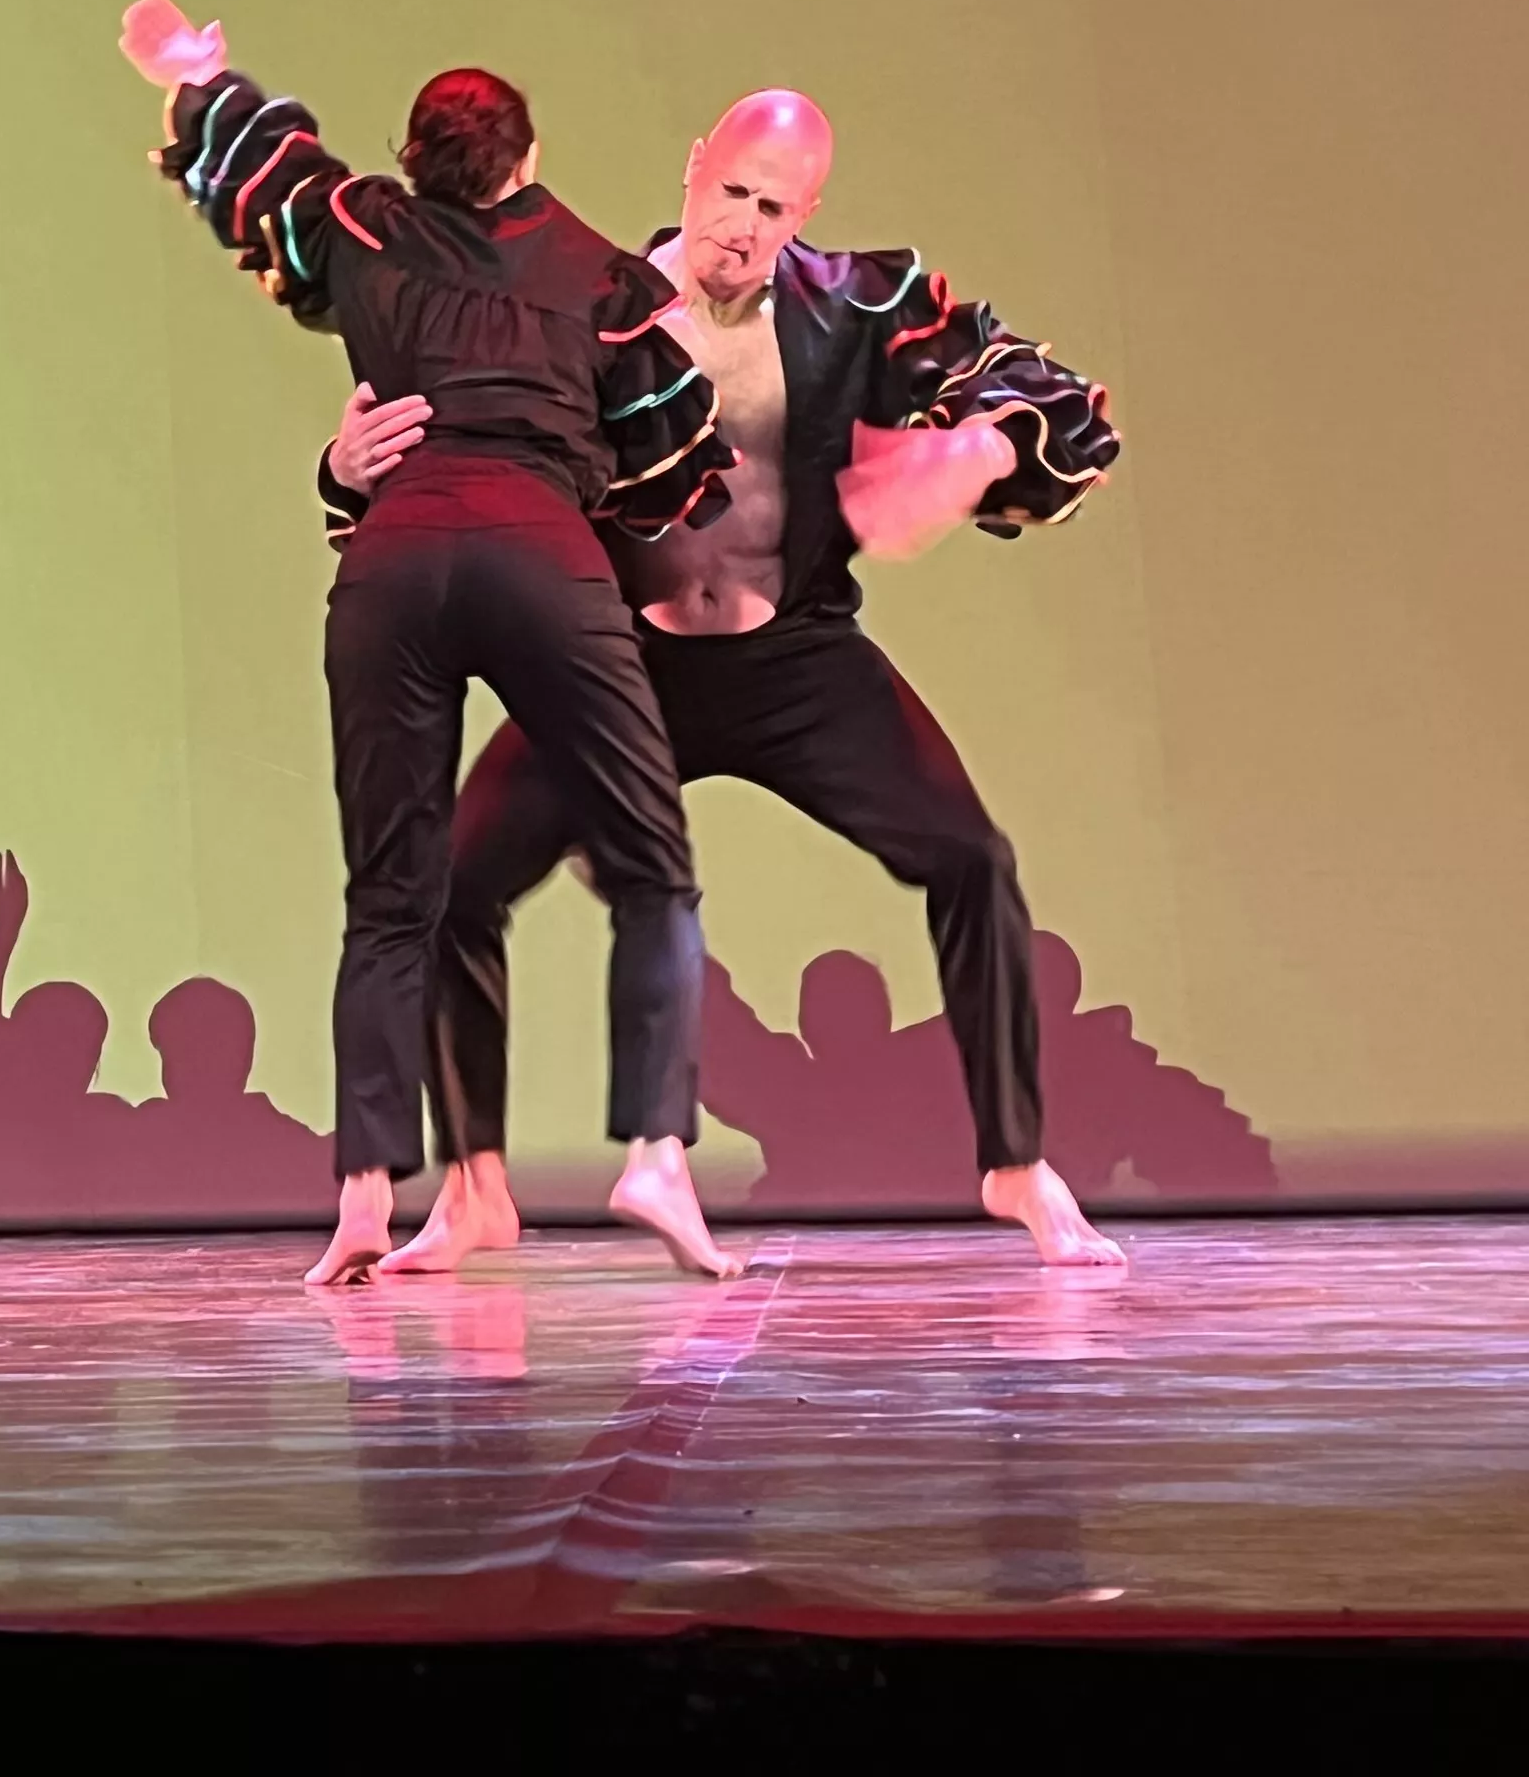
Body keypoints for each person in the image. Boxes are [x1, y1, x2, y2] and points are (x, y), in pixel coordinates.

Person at [351, 87, 1129, 1269]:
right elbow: (456, 445)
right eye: (731, 194)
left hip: (795, 658)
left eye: (775, 208)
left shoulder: (857, 307)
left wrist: (978, 447)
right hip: (622, 663)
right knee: (456, 884)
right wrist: (344, 462)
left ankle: (1018, 1166)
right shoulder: (586, 297)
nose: (745, 227)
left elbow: (1051, 393)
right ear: (690, 170)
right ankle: (476, 1187)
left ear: (805, 214)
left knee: (972, 859)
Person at [121, 0, 738, 1286]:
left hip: (396, 559)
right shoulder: (597, 272)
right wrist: (575, 484)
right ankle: (656, 1155)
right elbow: (671, 458)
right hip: (537, 555)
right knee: (652, 858)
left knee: (389, 891)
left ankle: (363, 1190)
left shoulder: (366, 229)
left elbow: (259, 161)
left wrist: (194, 72)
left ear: (414, 162)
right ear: (528, 154)